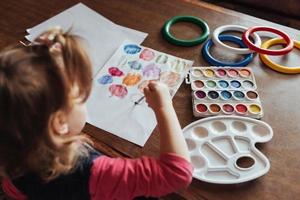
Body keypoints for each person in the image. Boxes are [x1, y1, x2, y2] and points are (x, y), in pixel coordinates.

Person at [0, 28, 193, 200]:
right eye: (79, 97)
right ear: (59, 123)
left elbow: (13, 192)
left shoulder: (10, 154)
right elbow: (176, 174)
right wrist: (164, 107)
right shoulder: (94, 174)